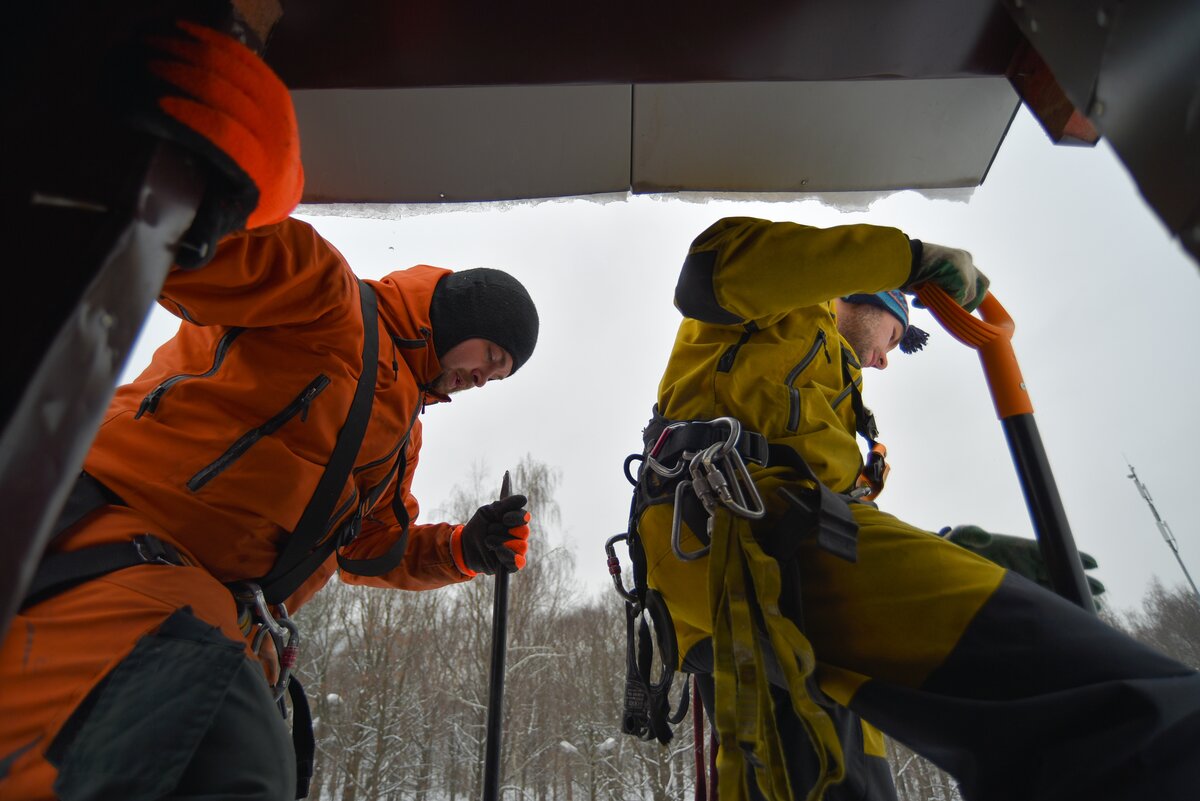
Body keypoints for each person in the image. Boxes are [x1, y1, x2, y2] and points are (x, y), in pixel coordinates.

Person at [0, 8, 540, 801]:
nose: (483, 378)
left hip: (223, 622)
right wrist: (213, 179)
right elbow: (179, 246)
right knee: (228, 761)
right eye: (489, 357)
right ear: (460, 318)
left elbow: (369, 554)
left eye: (500, 376)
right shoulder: (327, 299)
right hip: (124, 554)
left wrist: (465, 548)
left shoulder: (399, 437)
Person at [628, 216, 1200, 801]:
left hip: (766, 587)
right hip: (739, 533)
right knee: (1116, 702)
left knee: (846, 783)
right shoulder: (781, 306)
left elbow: (846, 524)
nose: (883, 361)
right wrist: (910, 259)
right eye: (895, 339)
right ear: (870, 297)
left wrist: (957, 547)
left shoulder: (837, 402)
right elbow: (710, 268)